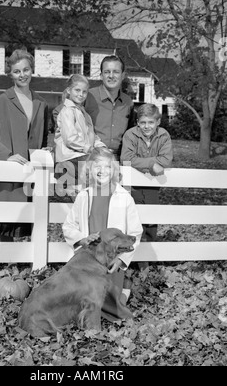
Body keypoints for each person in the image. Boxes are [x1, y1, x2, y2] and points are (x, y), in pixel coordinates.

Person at [63, 147, 143, 322]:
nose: (102, 171)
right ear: (89, 170)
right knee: (82, 302)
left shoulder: (124, 198)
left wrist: (121, 259)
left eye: (107, 166)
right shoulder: (84, 196)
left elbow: (135, 233)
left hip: (111, 261)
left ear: (113, 170)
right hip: (88, 260)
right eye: (97, 166)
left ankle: (122, 293)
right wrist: (81, 239)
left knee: (111, 305)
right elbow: (68, 226)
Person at [0, 49, 49, 242]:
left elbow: (42, 138)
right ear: (10, 74)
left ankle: (20, 261)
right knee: (7, 222)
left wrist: (43, 152)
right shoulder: (1, 101)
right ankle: (4, 260)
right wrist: (7, 155)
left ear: (31, 70)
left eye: (26, 70)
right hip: (8, 170)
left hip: (31, 170)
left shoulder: (41, 103)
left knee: (28, 218)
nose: (22, 75)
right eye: (17, 71)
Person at [120, 103, 173, 268]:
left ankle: (146, 261)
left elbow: (166, 160)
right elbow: (126, 159)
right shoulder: (130, 135)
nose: (146, 126)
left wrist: (141, 163)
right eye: (142, 122)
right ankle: (130, 260)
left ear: (158, 122)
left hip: (153, 186)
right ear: (137, 122)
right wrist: (151, 163)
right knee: (133, 221)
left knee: (150, 221)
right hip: (132, 185)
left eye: (150, 122)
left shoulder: (163, 135)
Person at [54, 74, 105, 199]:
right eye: (77, 90)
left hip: (81, 156)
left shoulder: (84, 114)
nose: (81, 94)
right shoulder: (67, 111)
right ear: (69, 90)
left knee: (106, 163)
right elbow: (70, 138)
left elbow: (91, 135)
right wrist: (89, 148)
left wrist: (102, 147)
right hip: (70, 158)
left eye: (84, 92)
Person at [84, 55, 134, 161]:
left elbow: (132, 133)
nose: (111, 76)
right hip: (91, 158)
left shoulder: (128, 102)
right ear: (101, 75)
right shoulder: (88, 96)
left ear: (123, 75)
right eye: (107, 72)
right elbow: (60, 114)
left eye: (116, 72)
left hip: (118, 160)